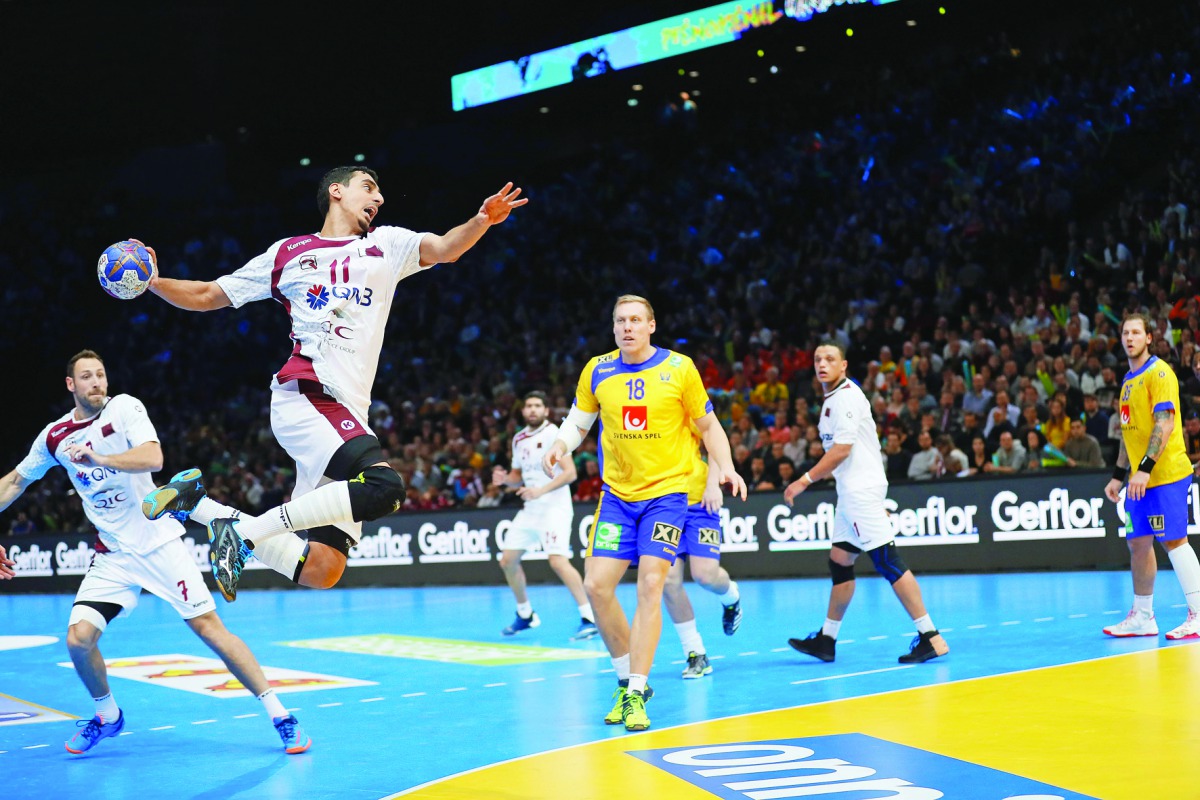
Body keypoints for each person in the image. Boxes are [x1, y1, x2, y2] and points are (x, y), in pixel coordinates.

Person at [139, 167, 527, 601]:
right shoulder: (289, 252)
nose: (379, 198)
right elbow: (210, 294)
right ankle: (244, 536)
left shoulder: (387, 244)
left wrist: (481, 220)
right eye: (369, 187)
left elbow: (446, 248)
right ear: (336, 192)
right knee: (385, 488)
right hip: (308, 394)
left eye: (380, 191)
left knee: (322, 570)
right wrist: (154, 282)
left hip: (348, 413)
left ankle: (201, 506)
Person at [0, 350, 310, 755]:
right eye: (87, 377)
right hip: (112, 555)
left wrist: (99, 457)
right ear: (70, 385)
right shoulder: (55, 436)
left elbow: (153, 457)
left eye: (101, 374)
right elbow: (14, 482)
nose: (97, 382)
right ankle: (108, 717)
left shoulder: (125, 409)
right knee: (78, 640)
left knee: (210, 631)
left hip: (159, 544)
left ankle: (281, 715)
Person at [541, 295, 746, 732]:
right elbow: (579, 421)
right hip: (617, 497)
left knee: (653, 583)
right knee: (597, 587)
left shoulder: (679, 368)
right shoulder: (597, 369)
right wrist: (561, 444)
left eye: (636, 320)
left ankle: (636, 690)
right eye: (620, 321)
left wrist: (724, 468)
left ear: (651, 325)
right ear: (613, 328)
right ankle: (624, 681)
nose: (628, 327)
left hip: (667, 497)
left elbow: (708, 426)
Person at [784, 342, 949, 665]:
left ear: (843, 366)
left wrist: (803, 480)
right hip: (850, 494)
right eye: (817, 359)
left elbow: (842, 449)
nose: (822, 364)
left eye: (830, 359)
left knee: (887, 561)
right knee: (840, 561)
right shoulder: (832, 398)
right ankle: (827, 640)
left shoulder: (846, 396)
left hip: (861, 491)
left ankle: (931, 636)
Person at [1102, 313, 1200, 640]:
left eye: (1136, 332)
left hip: (1165, 473)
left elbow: (1165, 424)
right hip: (1138, 479)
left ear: (1148, 338)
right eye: (1125, 333)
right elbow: (1127, 435)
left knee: (1173, 540)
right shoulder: (1127, 383)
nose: (1129, 338)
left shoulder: (1159, 373)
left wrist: (1143, 469)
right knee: (1138, 542)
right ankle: (1143, 616)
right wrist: (1119, 475)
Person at [492, 391, 597, 640]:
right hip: (531, 509)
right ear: (523, 411)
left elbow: (570, 473)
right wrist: (504, 480)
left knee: (558, 561)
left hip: (554, 507)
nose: (532, 410)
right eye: (528, 406)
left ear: (546, 411)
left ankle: (589, 617)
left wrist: (540, 491)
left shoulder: (555, 434)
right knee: (507, 560)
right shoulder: (518, 439)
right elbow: (517, 476)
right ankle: (526, 614)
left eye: (538, 405)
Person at [661, 427, 744, 680]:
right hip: (663, 506)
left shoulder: (689, 405)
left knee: (705, 575)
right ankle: (695, 653)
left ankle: (731, 596)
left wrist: (713, 485)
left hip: (701, 504)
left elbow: (715, 441)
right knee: (668, 580)